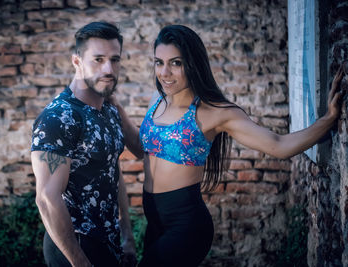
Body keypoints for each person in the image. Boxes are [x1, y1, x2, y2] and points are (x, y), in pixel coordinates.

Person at [111, 24, 346, 267]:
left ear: (192, 64)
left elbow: (279, 145)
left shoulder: (214, 111)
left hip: (186, 226)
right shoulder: (157, 98)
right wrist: (116, 107)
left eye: (176, 63)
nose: (165, 73)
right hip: (155, 221)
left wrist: (327, 121)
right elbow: (142, 149)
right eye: (159, 62)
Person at [30, 21, 137, 267]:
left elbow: (113, 170)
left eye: (115, 59)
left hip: (109, 243)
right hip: (73, 247)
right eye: (98, 59)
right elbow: (47, 199)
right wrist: (81, 263)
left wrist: (127, 236)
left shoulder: (109, 110)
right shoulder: (58, 117)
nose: (109, 69)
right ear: (77, 61)